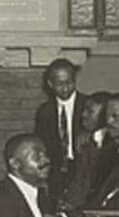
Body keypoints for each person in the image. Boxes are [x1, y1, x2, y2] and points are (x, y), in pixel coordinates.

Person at [34, 59, 87, 199]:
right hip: (56, 174)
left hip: (82, 171)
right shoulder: (44, 112)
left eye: (69, 83)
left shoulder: (88, 105)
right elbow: (42, 145)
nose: (65, 88)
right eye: (59, 84)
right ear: (50, 84)